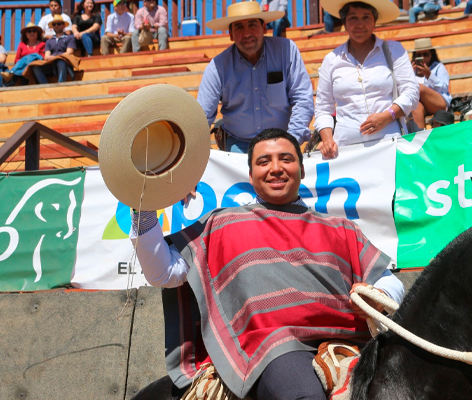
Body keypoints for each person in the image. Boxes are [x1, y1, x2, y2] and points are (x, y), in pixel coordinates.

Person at [129, 128, 404, 400]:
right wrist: (142, 206)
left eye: (286, 159)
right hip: (275, 349)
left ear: (303, 169)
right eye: (264, 162)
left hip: (352, 342)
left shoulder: (341, 227)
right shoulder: (221, 223)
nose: (275, 168)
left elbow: (388, 280)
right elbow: (164, 272)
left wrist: (379, 296)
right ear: (250, 175)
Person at [197, 1, 314, 153]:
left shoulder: (287, 51)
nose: (247, 33)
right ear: (231, 34)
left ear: (264, 28)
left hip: (282, 139)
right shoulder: (217, 67)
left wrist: (291, 141)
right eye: (239, 27)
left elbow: (303, 99)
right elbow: (201, 117)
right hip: (238, 143)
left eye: (252, 24)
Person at [314, 0, 418, 158]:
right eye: (353, 18)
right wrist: (327, 139)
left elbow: (411, 92)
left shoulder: (393, 50)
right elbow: (323, 109)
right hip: (346, 151)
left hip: (390, 145)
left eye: (366, 17)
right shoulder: (331, 60)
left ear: (375, 21)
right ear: (344, 22)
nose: (359, 24)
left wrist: (387, 115)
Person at [409, 38, 451, 130]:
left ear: (431, 54)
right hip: (420, 104)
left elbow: (444, 89)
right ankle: (420, 140)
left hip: (439, 103)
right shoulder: (410, 70)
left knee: (420, 88)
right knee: (416, 109)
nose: (423, 58)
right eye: (419, 55)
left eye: (425, 54)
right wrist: (409, 76)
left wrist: (429, 75)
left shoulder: (438, 67)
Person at [32, 14, 76, 84]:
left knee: (60, 62)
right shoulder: (49, 41)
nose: (56, 26)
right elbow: (47, 56)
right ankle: (45, 86)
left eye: (58, 24)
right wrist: (52, 58)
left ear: (64, 25)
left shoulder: (70, 38)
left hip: (64, 63)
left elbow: (69, 52)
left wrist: (55, 57)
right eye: (54, 24)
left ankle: (60, 84)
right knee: (35, 67)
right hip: (51, 64)